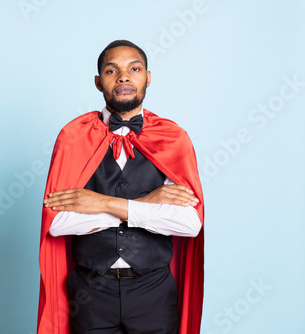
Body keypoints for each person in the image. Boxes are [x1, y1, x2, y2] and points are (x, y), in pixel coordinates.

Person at [37, 40, 205, 334]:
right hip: (89, 294)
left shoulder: (172, 138)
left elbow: (189, 223)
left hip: (153, 292)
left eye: (134, 69)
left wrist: (102, 203)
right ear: (98, 82)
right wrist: (148, 204)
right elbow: (58, 222)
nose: (124, 77)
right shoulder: (74, 137)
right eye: (112, 70)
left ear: (147, 78)